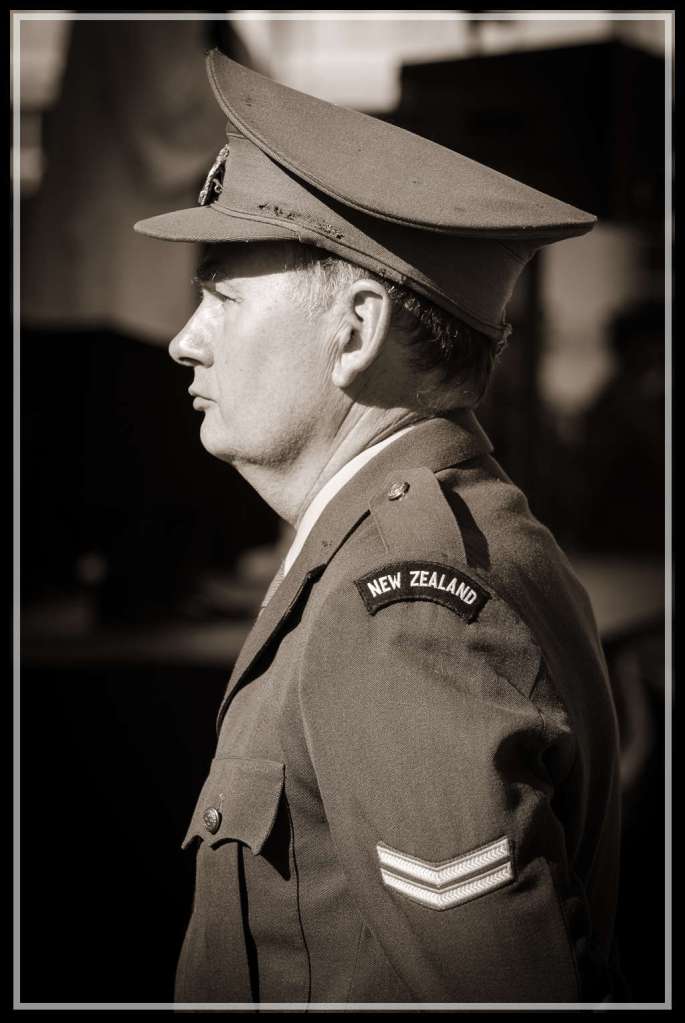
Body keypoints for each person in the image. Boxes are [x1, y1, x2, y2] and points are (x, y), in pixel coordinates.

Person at [134, 50, 623, 1004]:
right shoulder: (452, 535)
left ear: (355, 331)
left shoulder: (401, 611)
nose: (184, 340)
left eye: (222, 295)